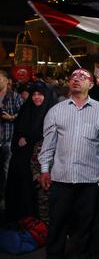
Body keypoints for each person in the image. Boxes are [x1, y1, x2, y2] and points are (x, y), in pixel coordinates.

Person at [38, 68, 99, 259]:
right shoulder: (56, 110)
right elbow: (48, 144)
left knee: (85, 223)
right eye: (73, 76)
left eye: (83, 77)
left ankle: (80, 254)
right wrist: (45, 169)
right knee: (57, 223)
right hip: (62, 177)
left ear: (91, 84)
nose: (76, 79)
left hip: (91, 179)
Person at [5, 81, 53, 222]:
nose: (36, 97)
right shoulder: (27, 108)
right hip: (21, 157)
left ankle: (38, 225)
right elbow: (18, 130)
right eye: (34, 94)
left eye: (40, 94)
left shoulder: (50, 111)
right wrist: (21, 137)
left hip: (40, 161)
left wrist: (28, 138)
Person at [0, 69, 24, 209]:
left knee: (7, 171)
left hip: (8, 140)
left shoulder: (15, 97)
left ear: (6, 80)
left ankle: (6, 199)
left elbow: (23, 115)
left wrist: (11, 117)